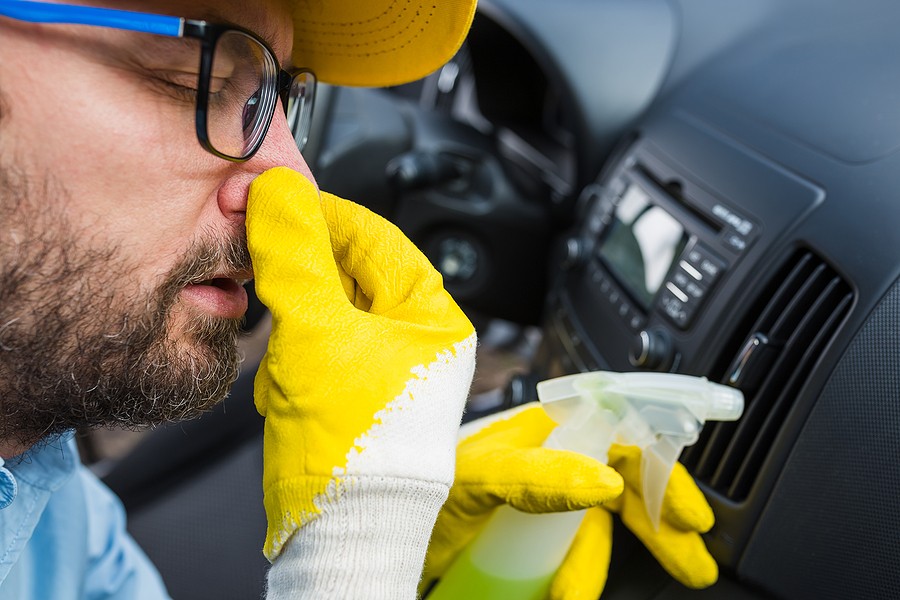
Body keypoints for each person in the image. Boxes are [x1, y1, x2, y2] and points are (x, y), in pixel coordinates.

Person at [0, 0, 718, 598]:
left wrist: (409, 555)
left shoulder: (52, 509)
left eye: (274, 100)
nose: (295, 183)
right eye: (199, 76)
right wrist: (357, 549)